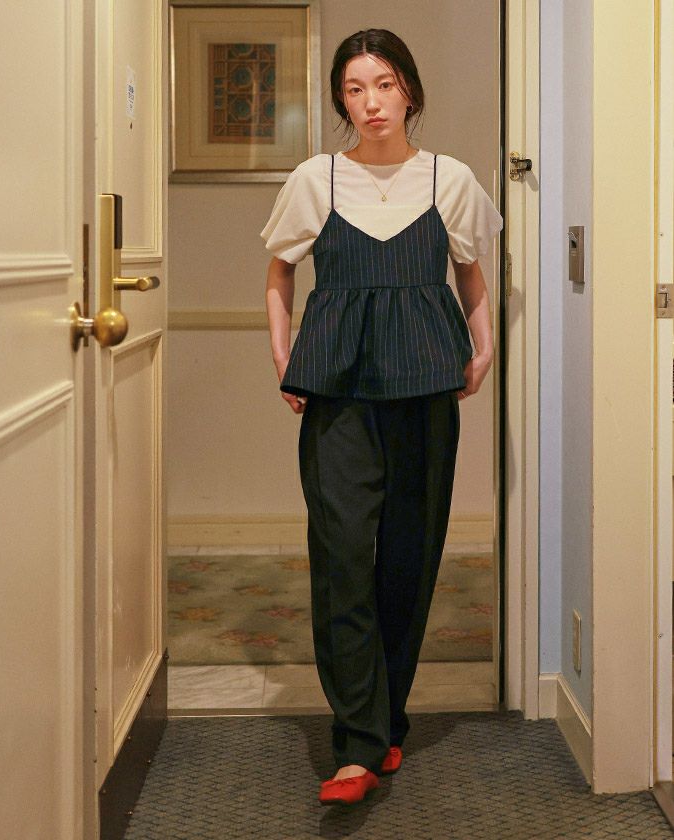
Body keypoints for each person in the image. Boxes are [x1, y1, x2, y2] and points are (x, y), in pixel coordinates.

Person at [261, 28, 503, 806]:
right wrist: (283, 354)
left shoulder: (450, 179)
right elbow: (278, 272)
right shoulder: (316, 178)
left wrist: (485, 346)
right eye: (355, 88)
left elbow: (470, 272)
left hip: (426, 384)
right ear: (341, 99)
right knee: (342, 557)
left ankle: (385, 721)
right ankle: (357, 746)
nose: (371, 102)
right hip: (337, 390)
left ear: (410, 93)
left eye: (385, 84)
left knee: (409, 557)